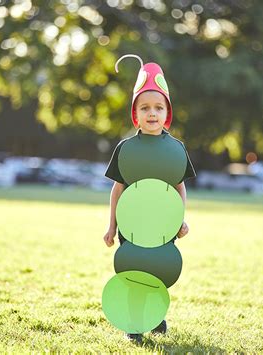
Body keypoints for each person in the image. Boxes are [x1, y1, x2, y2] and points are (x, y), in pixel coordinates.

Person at [102, 55, 196, 342]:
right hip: (132, 224)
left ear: (167, 113)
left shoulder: (175, 150)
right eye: (145, 108)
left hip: (162, 225)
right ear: (136, 114)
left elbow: (179, 188)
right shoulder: (126, 150)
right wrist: (112, 226)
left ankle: (154, 315)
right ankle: (134, 322)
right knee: (135, 271)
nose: (151, 113)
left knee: (156, 270)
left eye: (158, 107)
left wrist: (180, 219)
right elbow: (117, 189)